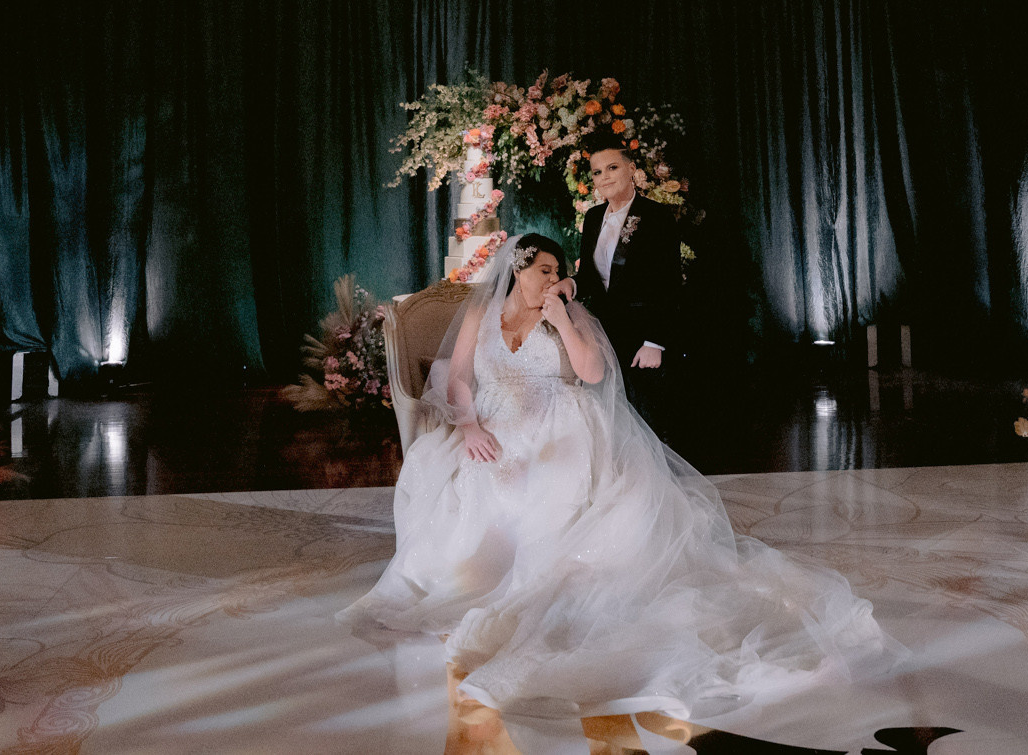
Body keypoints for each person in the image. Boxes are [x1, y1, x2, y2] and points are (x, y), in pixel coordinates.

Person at [341, 234, 898, 721]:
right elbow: (458, 379)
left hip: (560, 424)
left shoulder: (568, 314)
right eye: (544, 270)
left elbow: (593, 373)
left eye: (560, 273)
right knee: (463, 487)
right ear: (518, 268)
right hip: (494, 427)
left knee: (554, 499)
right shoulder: (480, 316)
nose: (554, 279)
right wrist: (468, 428)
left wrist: (560, 317)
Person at [564, 132, 685, 427]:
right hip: (605, 332)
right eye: (597, 172)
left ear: (631, 169)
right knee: (611, 417)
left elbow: (669, 283)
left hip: (644, 334)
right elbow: (591, 277)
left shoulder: (657, 217)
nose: (604, 177)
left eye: (612, 168)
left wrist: (655, 341)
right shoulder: (594, 218)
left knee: (646, 419)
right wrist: (572, 284)